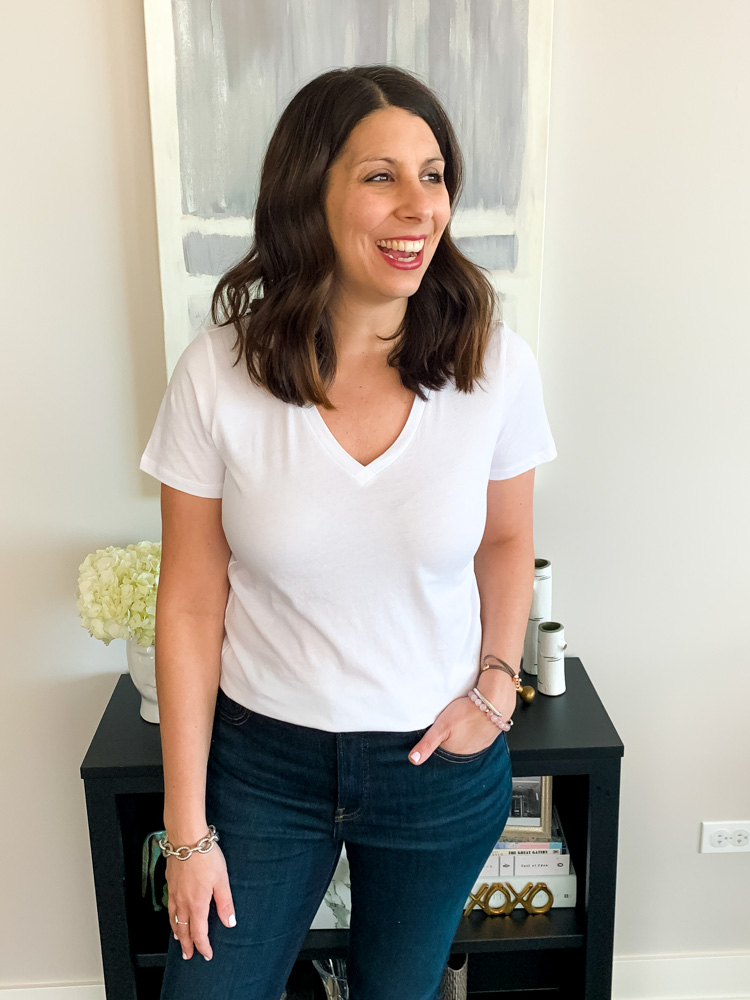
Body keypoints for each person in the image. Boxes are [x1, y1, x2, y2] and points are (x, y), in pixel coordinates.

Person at [139, 64, 557, 1000]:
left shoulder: (496, 365)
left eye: (434, 173)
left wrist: (495, 686)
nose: (419, 207)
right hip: (262, 764)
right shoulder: (219, 374)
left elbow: (503, 541)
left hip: (434, 764)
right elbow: (193, 599)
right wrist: (187, 832)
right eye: (380, 176)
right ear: (309, 194)